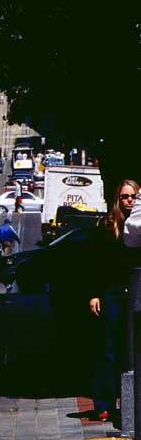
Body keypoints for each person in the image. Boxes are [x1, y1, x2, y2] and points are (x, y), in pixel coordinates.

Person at [88, 179, 140, 422]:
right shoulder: (108, 225)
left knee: (131, 349)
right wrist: (95, 293)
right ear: (117, 199)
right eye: (125, 197)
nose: (129, 201)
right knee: (109, 347)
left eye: (133, 197)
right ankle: (104, 403)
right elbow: (97, 263)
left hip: (135, 292)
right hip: (113, 292)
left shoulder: (138, 226)